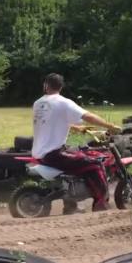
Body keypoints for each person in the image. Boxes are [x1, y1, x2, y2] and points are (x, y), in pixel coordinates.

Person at [32, 73, 121, 213]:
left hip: (40, 152)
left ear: (45, 86)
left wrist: (77, 128)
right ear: (61, 86)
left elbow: (52, 121)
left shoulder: (38, 103)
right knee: (95, 163)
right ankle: (101, 204)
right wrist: (110, 126)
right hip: (54, 153)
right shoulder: (63, 102)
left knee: (79, 154)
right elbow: (88, 116)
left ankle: (71, 205)